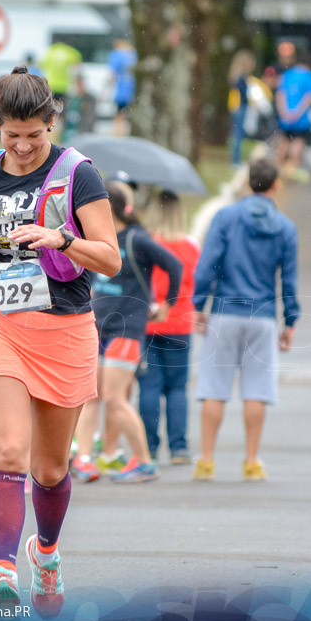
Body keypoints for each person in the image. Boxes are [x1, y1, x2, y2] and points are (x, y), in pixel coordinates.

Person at [0, 65, 119, 618]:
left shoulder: (78, 175)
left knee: (51, 469)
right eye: (11, 135)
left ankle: (47, 551)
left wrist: (60, 237)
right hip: (0, 323)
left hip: (65, 328)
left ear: (51, 122)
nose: (23, 147)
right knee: (10, 449)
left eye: (34, 135)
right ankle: (2, 575)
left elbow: (110, 256)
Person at [192, 159, 298, 482]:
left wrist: (199, 303)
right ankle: (251, 460)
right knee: (257, 390)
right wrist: (289, 320)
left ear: (249, 183)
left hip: (225, 310)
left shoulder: (226, 218)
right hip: (263, 315)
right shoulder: (284, 227)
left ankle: (207, 460)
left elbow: (208, 263)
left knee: (214, 388)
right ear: (276, 185)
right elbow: (289, 279)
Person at [74, 180, 182, 483]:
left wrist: (167, 304)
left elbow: (174, 266)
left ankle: (145, 463)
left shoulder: (136, 239)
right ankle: (84, 460)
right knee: (89, 396)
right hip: (96, 326)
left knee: (115, 399)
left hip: (127, 330)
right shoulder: (94, 237)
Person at [138, 190, 200, 464]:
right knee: (177, 388)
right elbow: (197, 283)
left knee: (149, 386)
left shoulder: (145, 244)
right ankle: (179, 447)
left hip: (148, 322)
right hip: (180, 322)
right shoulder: (190, 247)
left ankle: (149, 446)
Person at [275, 51, 311, 181]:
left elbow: (280, 94)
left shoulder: (287, 75)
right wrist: (297, 112)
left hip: (285, 117)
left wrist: (283, 112)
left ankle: (278, 170)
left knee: (284, 141)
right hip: (301, 118)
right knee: (298, 143)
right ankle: (293, 171)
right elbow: (309, 98)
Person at [228, 49, 256, 166]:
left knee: (236, 134)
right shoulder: (242, 78)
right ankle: (235, 161)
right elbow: (245, 94)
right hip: (240, 107)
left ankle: (235, 159)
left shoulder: (236, 76)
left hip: (235, 107)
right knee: (237, 134)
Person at [107, 38, 136, 137]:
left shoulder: (116, 55)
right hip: (133, 90)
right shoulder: (133, 54)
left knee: (119, 115)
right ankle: (125, 134)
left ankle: (118, 134)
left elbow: (113, 74)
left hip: (122, 91)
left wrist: (106, 90)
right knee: (127, 114)